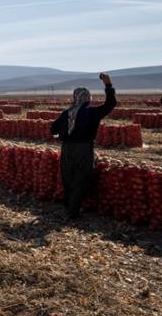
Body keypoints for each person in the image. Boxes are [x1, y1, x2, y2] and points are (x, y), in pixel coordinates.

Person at [49, 73, 117, 220]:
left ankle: (68, 206)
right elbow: (110, 104)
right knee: (81, 178)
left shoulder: (67, 113)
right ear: (88, 98)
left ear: (74, 97)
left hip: (67, 149)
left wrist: (62, 133)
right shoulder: (92, 112)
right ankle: (73, 211)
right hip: (84, 149)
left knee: (68, 177)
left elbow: (52, 130)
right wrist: (108, 85)